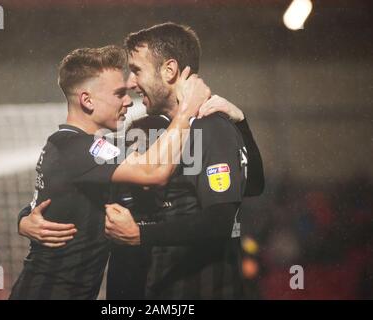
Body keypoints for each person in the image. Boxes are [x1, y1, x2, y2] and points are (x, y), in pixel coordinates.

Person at [9, 45, 211, 299]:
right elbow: (154, 170)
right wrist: (185, 112)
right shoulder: (74, 147)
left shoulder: (84, 145)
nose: (128, 101)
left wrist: (23, 218)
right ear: (87, 100)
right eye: (119, 94)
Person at [103, 22, 264, 299]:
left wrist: (141, 235)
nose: (130, 82)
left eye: (137, 70)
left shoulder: (211, 128)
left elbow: (221, 219)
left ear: (169, 70)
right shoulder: (143, 132)